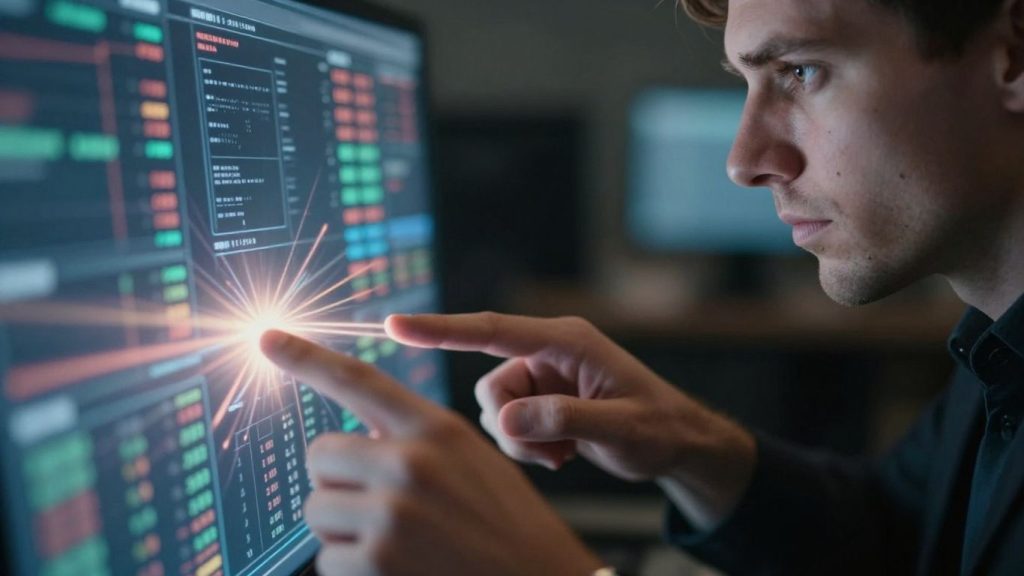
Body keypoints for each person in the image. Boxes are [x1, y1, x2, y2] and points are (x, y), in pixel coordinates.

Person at [259, 0, 1024, 573]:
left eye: (802, 72)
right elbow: (898, 535)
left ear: (1012, 56)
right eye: (751, 82)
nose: (746, 159)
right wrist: (687, 445)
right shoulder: (996, 347)